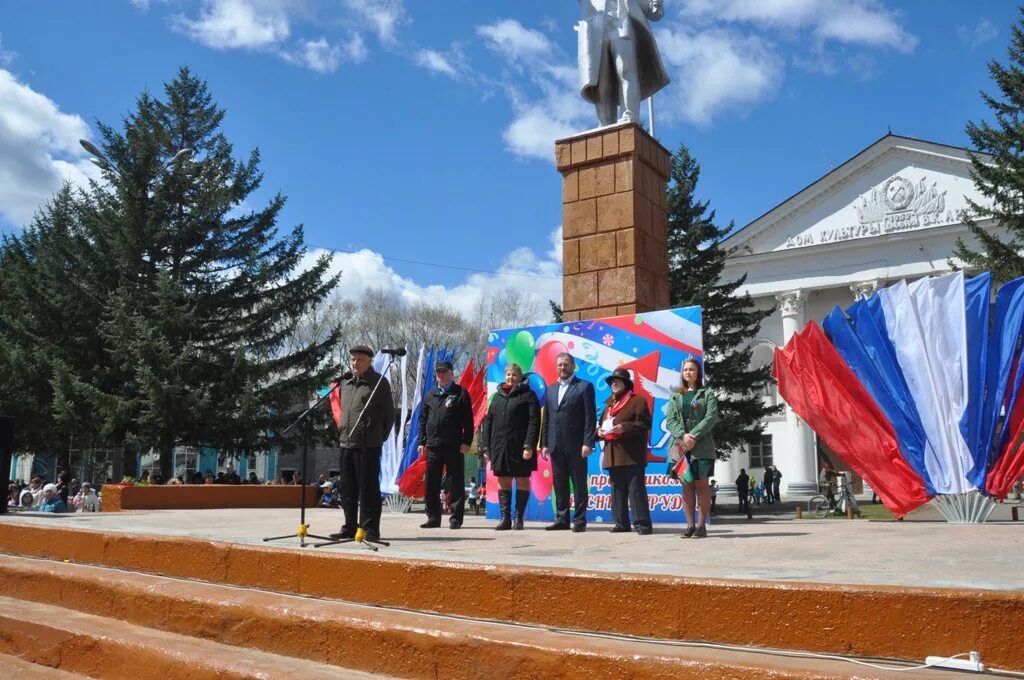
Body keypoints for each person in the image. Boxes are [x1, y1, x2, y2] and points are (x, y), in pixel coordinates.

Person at [330, 345, 395, 543]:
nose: (355, 363)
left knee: (368, 489)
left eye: (359, 360)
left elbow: (388, 416)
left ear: (369, 362)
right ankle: (350, 527)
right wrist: (343, 429)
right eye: (353, 360)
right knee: (348, 489)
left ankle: (370, 529)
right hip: (346, 443)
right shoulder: (346, 383)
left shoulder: (378, 383)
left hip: (368, 445)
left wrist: (378, 437)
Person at [574, 0, 671, 126]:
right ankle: (605, 122)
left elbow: (653, 12)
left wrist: (656, 4)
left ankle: (629, 114)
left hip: (621, 20)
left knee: (626, 69)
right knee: (601, 79)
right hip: (595, 23)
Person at [539, 352, 597, 532]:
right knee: (560, 484)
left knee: (579, 485)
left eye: (565, 364)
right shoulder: (551, 389)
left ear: (573, 366)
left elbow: (590, 417)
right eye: (559, 365)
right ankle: (562, 519)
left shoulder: (584, 387)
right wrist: (544, 443)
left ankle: (579, 520)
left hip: (577, 445)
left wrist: (588, 442)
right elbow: (547, 418)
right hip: (555, 445)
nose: (562, 368)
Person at [480, 363, 541, 531]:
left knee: (522, 479)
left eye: (514, 375)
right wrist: (486, 446)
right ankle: (505, 518)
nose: (510, 378)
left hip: (520, 447)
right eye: (508, 374)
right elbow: (489, 422)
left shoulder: (529, 395)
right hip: (500, 446)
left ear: (520, 377)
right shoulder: (498, 397)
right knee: (503, 480)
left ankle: (518, 518)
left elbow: (534, 422)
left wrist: (529, 445)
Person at [417, 360, 475, 530]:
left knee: (455, 482)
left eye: (443, 372)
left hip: (454, 445)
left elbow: (468, 421)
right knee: (431, 483)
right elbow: (423, 420)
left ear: (451, 373)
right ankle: (433, 517)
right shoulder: (430, 394)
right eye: (438, 372)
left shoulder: (460, 393)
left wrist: (466, 441)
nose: (440, 375)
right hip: (433, 446)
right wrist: (422, 441)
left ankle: (456, 518)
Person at [666, 358, 719, 538]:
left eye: (692, 369)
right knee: (686, 486)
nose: (688, 372)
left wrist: (693, 435)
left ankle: (701, 526)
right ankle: (689, 526)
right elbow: (670, 420)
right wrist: (683, 436)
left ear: (698, 372)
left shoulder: (707, 394)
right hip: (681, 448)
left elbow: (710, 417)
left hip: (702, 447)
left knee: (702, 486)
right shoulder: (675, 395)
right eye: (686, 370)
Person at [597, 367, 653, 535]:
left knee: (635, 490)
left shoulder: (638, 401)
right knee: (617, 490)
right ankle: (620, 523)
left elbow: (645, 424)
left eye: (618, 381)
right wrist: (598, 432)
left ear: (626, 384)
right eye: (612, 381)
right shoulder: (608, 405)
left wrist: (625, 427)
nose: (614, 383)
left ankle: (642, 525)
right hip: (612, 454)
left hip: (631, 454)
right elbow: (602, 426)